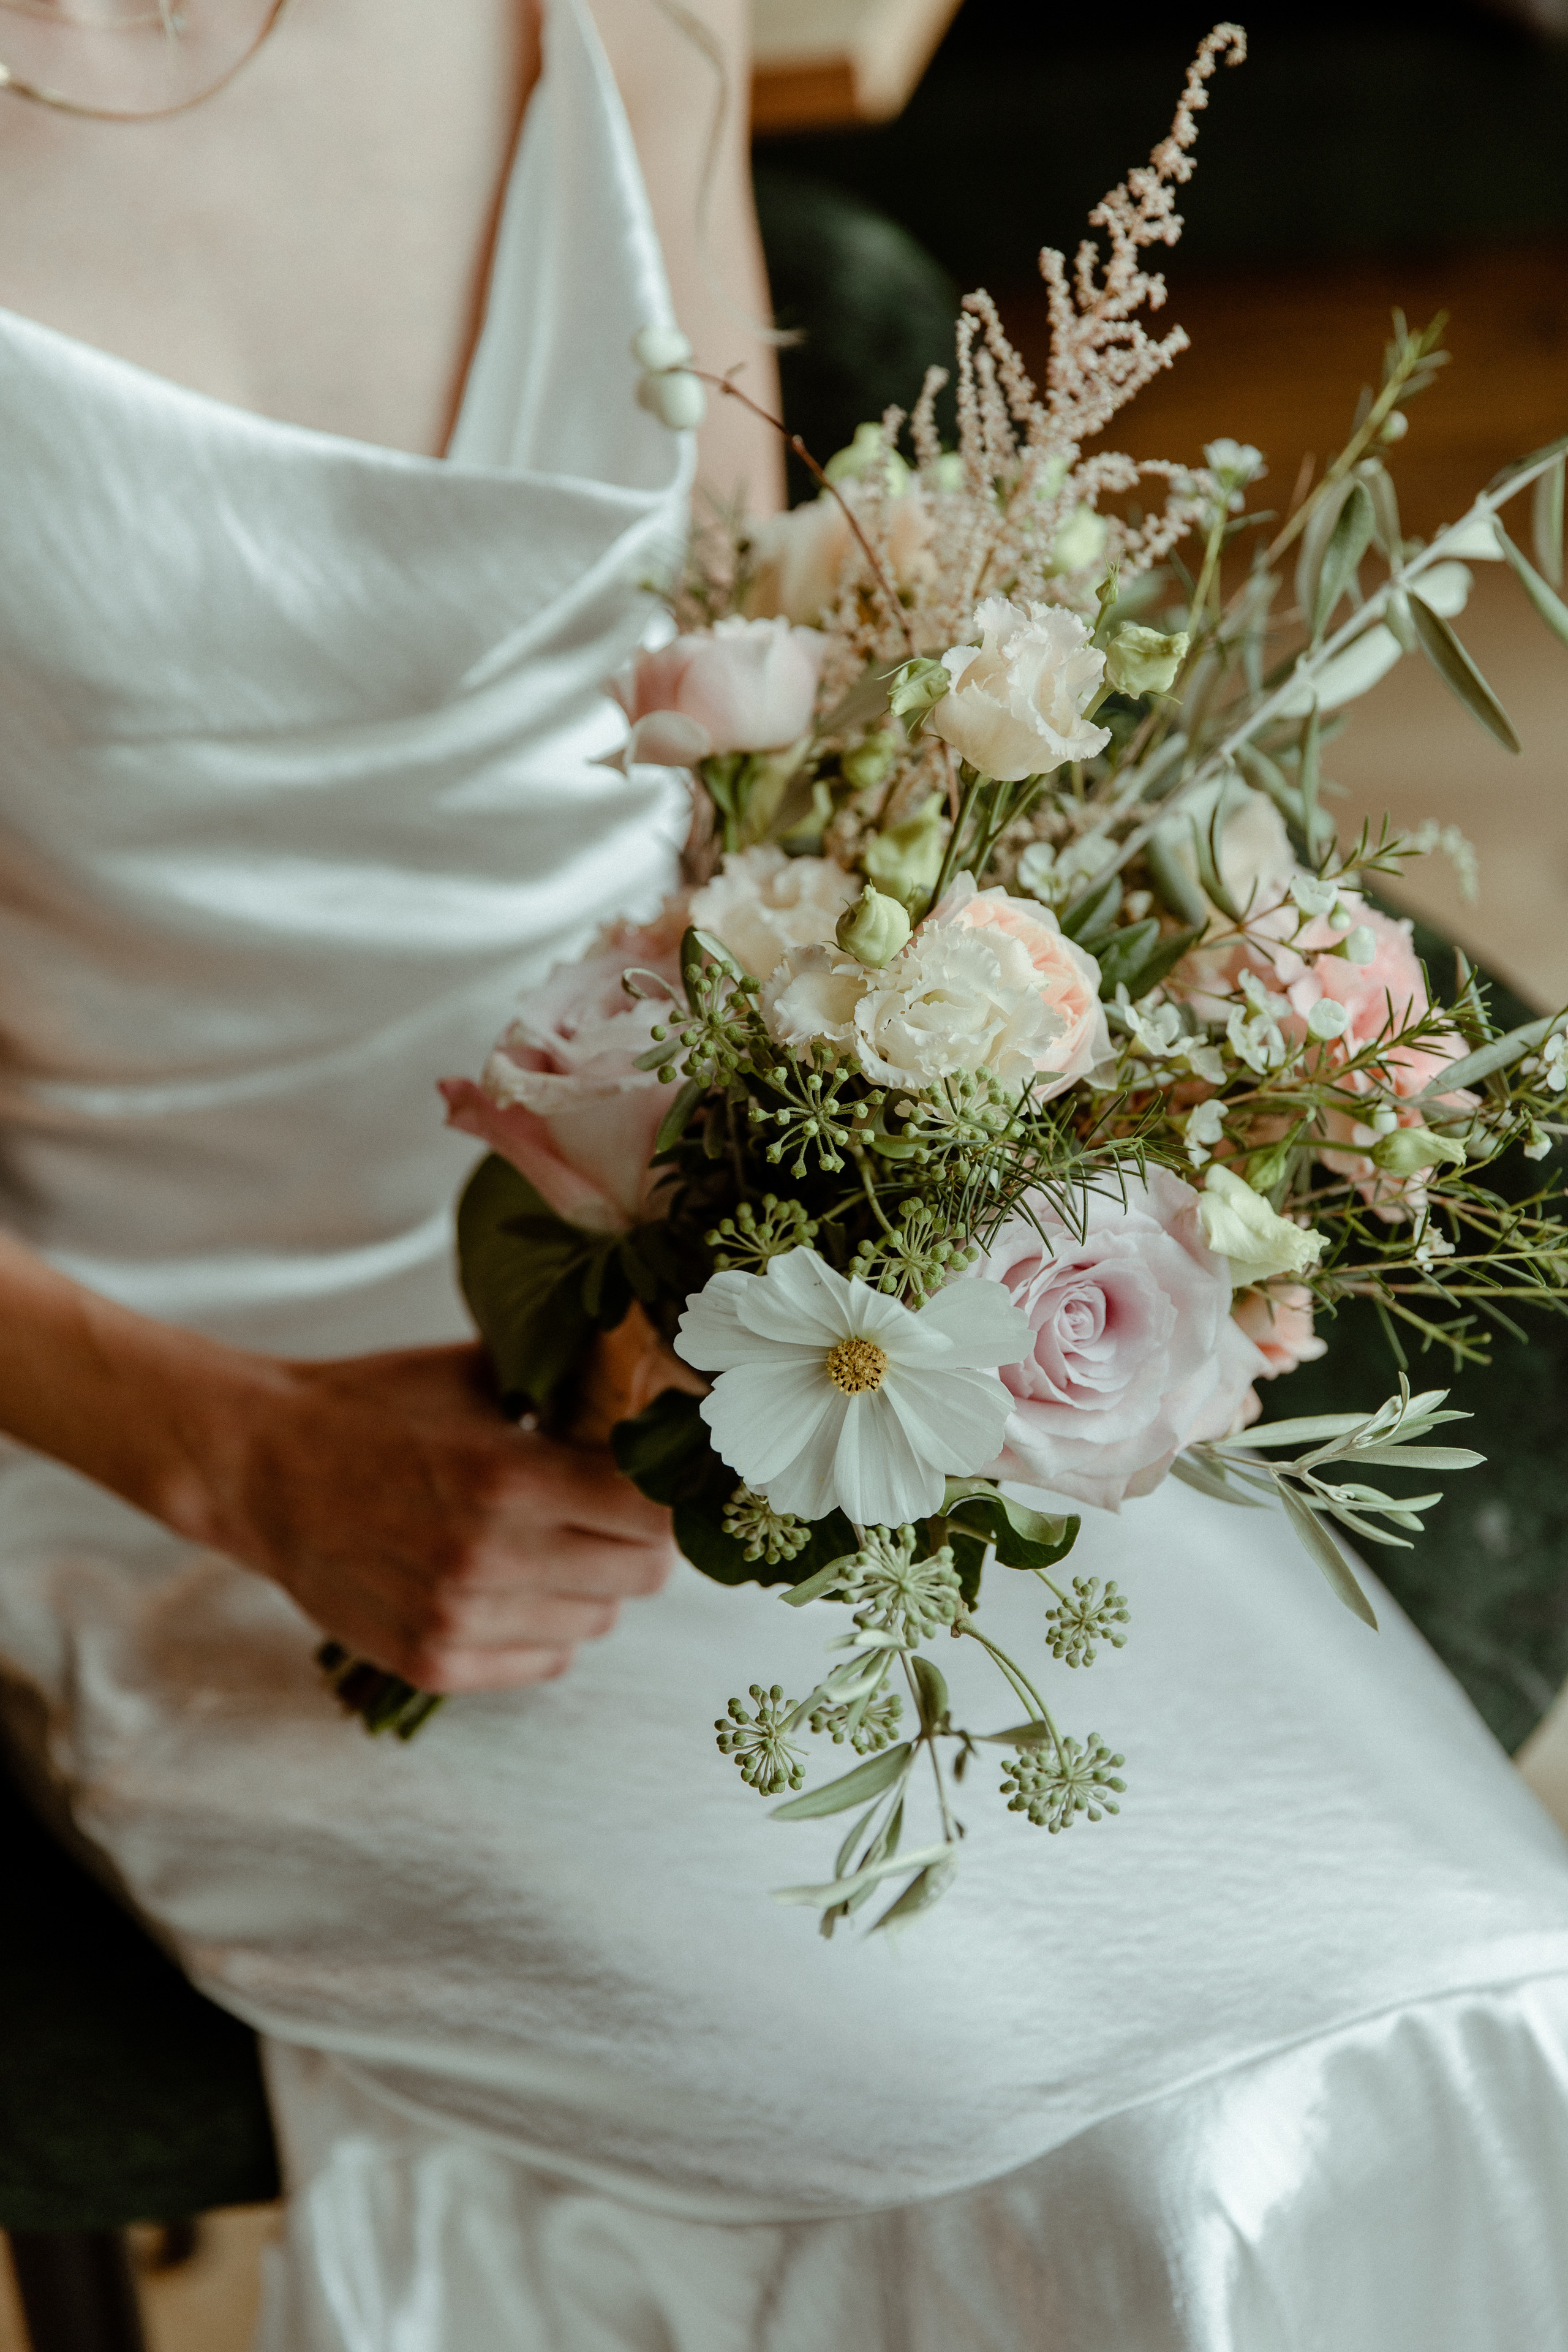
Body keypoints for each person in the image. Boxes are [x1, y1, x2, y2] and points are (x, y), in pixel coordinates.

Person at [2, 6, 1568, 2346]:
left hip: (737, 1274)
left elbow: (783, 707)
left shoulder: (613, 24)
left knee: (1446, 1994)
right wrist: (251, 1463)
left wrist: (977, 1109)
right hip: (177, 1385)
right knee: (1071, 2142)